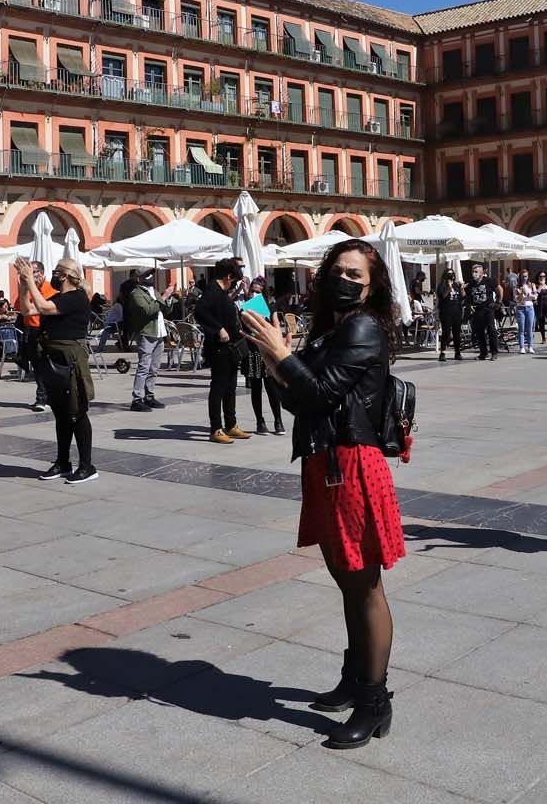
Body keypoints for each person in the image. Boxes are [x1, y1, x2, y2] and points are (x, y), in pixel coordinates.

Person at [240, 238, 404, 750]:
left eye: (356, 275)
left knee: (363, 582)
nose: (345, 280)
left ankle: (375, 701)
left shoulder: (362, 327)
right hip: (326, 460)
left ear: (373, 285)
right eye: (338, 270)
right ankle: (357, 677)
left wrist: (280, 351)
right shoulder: (335, 327)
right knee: (344, 576)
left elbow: (318, 392)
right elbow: (301, 401)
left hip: (353, 463)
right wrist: (277, 359)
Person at [14, 256, 98, 484]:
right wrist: (23, 286)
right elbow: (28, 310)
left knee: (77, 411)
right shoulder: (60, 297)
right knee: (60, 412)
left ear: (67, 276)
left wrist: (31, 279)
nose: (53, 276)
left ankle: (87, 465)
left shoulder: (76, 298)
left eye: (56, 272)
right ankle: (63, 462)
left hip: (70, 358)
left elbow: (41, 306)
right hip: (53, 357)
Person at [195, 258, 248, 443]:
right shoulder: (212, 290)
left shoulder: (222, 292)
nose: (232, 285)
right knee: (218, 388)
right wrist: (218, 328)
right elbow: (199, 312)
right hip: (218, 348)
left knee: (231, 387)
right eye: (233, 281)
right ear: (228, 276)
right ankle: (216, 428)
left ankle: (231, 425)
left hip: (230, 349)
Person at [240, 277, 285, 435]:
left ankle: (278, 420)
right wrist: (247, 299)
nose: (253, 294)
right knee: (256, 387)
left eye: (257, 292)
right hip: (253, 350)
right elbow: (246, 324)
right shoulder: (246, 308)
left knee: (272, 386)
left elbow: (272, 325)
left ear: (263, 293)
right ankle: (260, 421)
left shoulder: (270, 306)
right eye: (252, 291)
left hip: (267, 351)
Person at [125, 268, 174, 412]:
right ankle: (137, 398)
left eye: (151, 273)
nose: (150, 276)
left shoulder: (154, 291)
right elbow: (147, 310)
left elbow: (165, 310)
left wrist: (169, 298)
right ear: (139, 278)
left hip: (159, 332)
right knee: (144, 367)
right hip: (147, 333)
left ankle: (149, 395)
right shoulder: (136, 293)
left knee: (154, 367)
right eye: (147, 274)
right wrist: (164, 297)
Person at [19, 261, 55, 410]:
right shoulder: (27, 288)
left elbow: (45, 306)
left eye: (32, 272)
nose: (30, 275)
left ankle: (45, 397)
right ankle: (42, 397)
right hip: (31, 330)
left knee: (47, 365)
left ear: (40, 273)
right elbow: (21, 307)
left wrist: (34, 288)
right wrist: (24, 287)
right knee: (37, 365)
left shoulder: (49, 288)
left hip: (45, 330)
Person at [466, 263, 498, 360]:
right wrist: (470, 305)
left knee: (491, 330)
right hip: (478, 309)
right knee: (479, 332)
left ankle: (494, 352)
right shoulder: (471, 283)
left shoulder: (489, 281)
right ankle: (483, 353)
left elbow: (499, 289)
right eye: (473, 272)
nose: (474, 274)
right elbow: (468, 296)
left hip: (488, 309)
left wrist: (498, 302)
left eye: (476, 272)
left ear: (481, 273)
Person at [436, 269, 464, 362]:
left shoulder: (456, 285)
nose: (451, 275)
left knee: (457, 333)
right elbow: (443, 296)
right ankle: (442, 353)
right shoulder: (441, 285)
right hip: (446, 312)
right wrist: (448, 286)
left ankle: (457, 352)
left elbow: (462, 296)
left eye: (452, 274)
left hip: (457, 311)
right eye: (449, 274)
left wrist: (462, 288)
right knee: (446, 333)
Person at [512, 270, 537, 353]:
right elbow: (517, 300)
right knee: (521, 329)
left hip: (530, 307)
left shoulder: (531, 285)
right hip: (520, 308)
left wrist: (530, 295)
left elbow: (536, 296)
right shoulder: (516, 287)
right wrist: (521, 293)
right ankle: (522, 347)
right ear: (520, 277)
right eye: (523, 276)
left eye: (526, 276)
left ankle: (530, 346)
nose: (524, 278)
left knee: (530, 328)